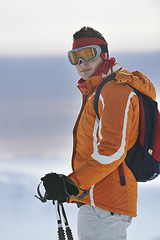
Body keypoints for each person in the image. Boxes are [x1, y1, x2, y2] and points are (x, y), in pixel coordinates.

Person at [41, 27, 156, 240]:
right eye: (75, 57)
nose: (82, 63)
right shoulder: (97, 91)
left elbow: (112, 150)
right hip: (96, 201)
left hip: (104, 204)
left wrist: (72, 184)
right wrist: (72, 188)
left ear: (104, 54)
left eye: (89, 54)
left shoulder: (114, 90)